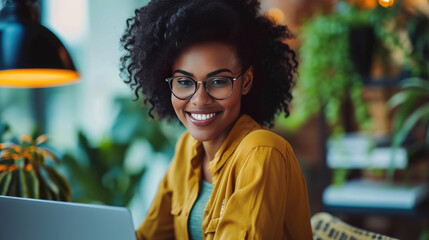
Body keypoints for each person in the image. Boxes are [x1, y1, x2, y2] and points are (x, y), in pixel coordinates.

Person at [120, 0, 312, 239]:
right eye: (184, 82)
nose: (199, 100)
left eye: (219, 82)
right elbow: (152, 235)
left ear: (246, 81)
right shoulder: (187, 149)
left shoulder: (262, 152)